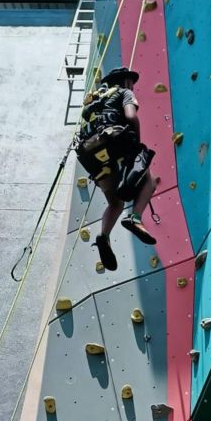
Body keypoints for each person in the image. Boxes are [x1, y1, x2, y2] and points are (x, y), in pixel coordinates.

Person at [79, 66, 157, 271]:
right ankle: (135, 218)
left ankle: (103, 235)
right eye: (131, 81)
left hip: (92, 156)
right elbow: (131, 116)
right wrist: (137, 145)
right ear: (126, 82)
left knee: (115, 203)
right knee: (148, 179)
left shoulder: (94, 101)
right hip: (115, 143)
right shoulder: (125, 93)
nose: (132, 85)